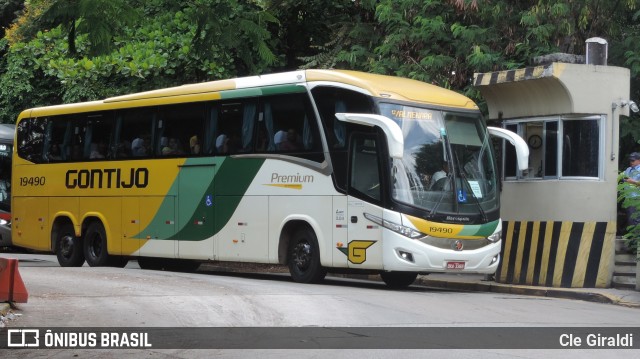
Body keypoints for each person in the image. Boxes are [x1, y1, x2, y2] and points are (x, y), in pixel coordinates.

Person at [622, 152, 640, 230]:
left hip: (636, 198)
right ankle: (632, 239)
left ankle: (636, 240)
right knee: (630, 219)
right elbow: (623, 178)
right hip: (628, 198)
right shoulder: (628, 169)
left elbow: (631, 181)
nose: (631, 162)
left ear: (639, 160)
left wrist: (633, 182)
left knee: (635, 220)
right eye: (630, 160)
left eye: (633, 160)